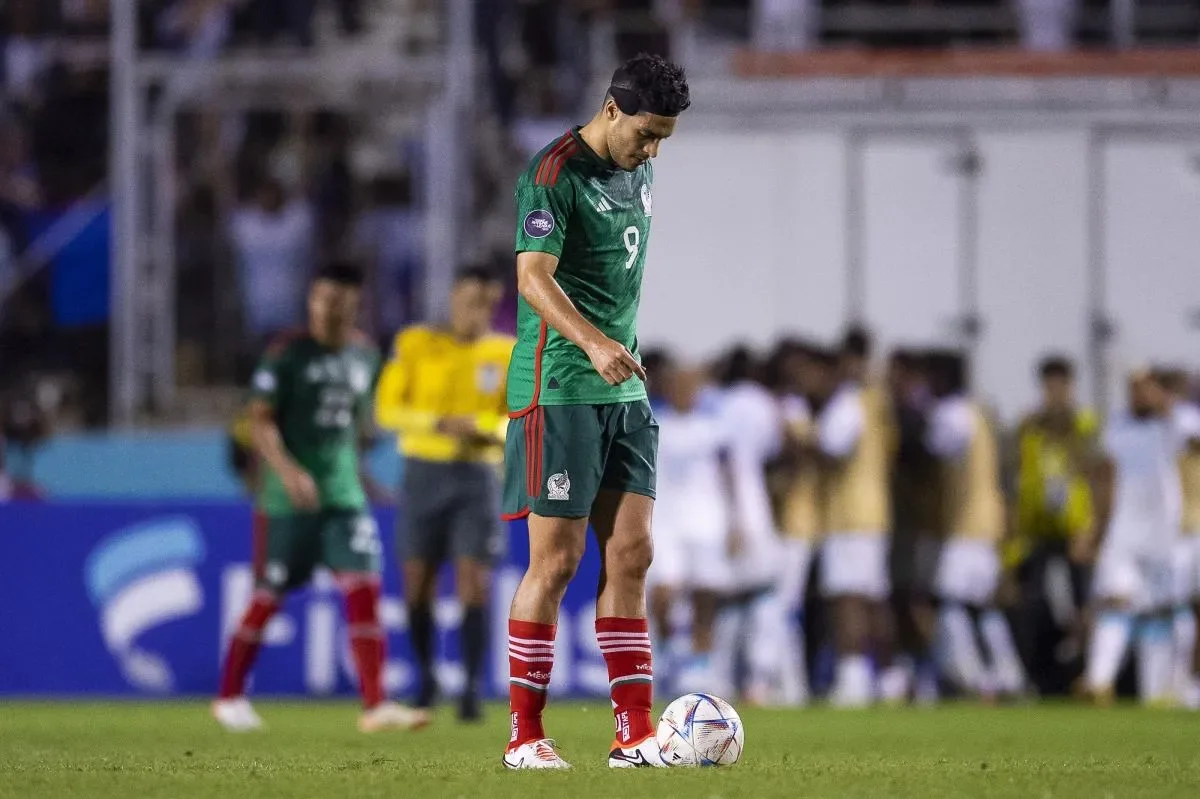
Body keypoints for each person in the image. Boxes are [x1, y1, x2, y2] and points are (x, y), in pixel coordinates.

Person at [498, 53, 690, 769]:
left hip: (623, 388)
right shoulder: (553, 173)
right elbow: (531, 277)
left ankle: (633, 734)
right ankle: (525, 736)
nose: (653, 149)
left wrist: (618, 348)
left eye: (664, 138)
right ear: (612, 109)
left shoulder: (638, 165)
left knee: (634, 553)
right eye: (647, 133)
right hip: (560, 386)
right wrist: (594, 339)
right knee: (557, 561)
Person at [213, 263, 426, 733]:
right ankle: (228, 696)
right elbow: (261, 422)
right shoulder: (286, 355)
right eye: (324, 300)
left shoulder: (366, 355)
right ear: (311, 299)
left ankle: (375, 705)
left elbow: (354, 427)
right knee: (268, 597)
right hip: (286, 501)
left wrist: (363, 477)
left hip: (344, 496)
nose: (331, 311)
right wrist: (288, 472)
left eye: (343, 303)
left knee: (364, 587)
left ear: (356, 306)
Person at [373, 266, 513, 722]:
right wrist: (435, 422)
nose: (480, 311)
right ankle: (427, 677)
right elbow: (387, 408)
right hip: (423, 471)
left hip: (477, 475)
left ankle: (472, 688)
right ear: (453, 298)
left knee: (475, 579)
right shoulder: (415, 344)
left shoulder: (505, 352)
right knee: (419, 579)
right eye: (472, 299)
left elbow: (519, 417)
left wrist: (487, 428)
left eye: (488, 303)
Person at [1082, 367, 1197, 705]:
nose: (1138, 394)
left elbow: (1193, 440)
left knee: (1158, 612)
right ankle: (1098, 682)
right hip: (1124, 532)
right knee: (1115, 601)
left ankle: (1156, 689)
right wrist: (1095, 526)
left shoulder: (1176, 421)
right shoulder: (1117, 425)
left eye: (1145, 387)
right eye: (1133, 388)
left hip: (1164, 535)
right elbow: (1105, 476)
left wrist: (1165, 406)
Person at [925, 351, 1025, 701]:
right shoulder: (980, 412)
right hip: (988, 519)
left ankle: (972, 677)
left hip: (965, 523)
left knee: (951, 601)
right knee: (984, 605)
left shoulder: (950, 414)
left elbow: (932, 450)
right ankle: (1009, 675)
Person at [1009, 356, 1098, 696]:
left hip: (1074, 528)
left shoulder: (1083, 426)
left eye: (1061, 386)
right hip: (1039, 530)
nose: (1055, 393)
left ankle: (1087, 675)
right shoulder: (1030, 427)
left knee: (1081, 605)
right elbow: (1017, 477)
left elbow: (1095, 475)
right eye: (1050, 386)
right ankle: (1035, 676)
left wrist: (1091, 530)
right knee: (1033, 605)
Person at [647, 358, 735, 697]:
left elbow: (730, 475)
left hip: (707, 520)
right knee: (664, 593)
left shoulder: (713, 428)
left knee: (704, 596)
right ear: (669, 389)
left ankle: (700, 665)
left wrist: (735, 521)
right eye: (678, 386)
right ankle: (671, 651)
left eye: (690, 386)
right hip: (667, 522)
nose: (685, 392)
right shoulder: (656, 423)